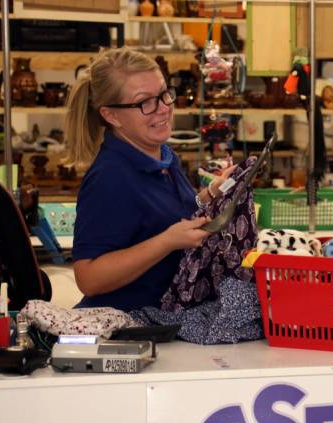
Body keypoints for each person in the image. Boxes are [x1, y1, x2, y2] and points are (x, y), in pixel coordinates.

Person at [65, 48, 233, 312]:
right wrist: (166, 242)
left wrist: (211, 193)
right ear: (111, 115)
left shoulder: (163, 156)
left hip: (169, 317)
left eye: (164, 94)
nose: (163, 108)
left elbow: (164, 216)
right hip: (130, 324)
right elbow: (89, 277)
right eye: (145, 102)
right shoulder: (110, 177)